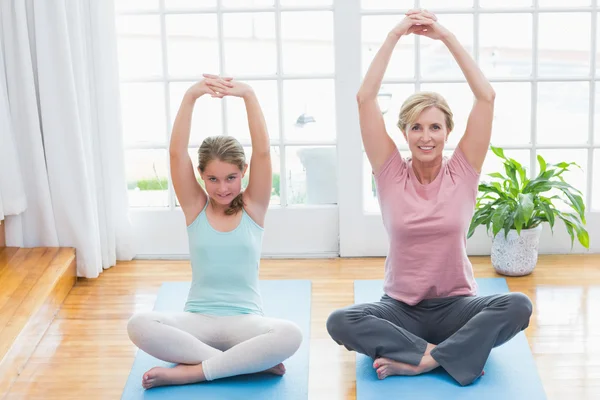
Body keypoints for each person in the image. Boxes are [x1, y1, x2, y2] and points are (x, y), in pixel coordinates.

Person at [326, 10, 532, 386]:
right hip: (400, 309)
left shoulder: (463, 171)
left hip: (458, 306)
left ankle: (422, 359)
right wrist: (394, 35)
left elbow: (486, 96)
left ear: (448, 131)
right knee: (341, 321)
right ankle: (452, 353)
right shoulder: (390, 174)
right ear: (403, 132)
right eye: (416, 127)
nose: (426, 136)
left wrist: (446, 37)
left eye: (435, 127)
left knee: (518, 306)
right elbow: (364, 98)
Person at [127, 74, 302, 389]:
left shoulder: (253, 207)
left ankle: (192, 371)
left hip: (246, 322)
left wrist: (248, 95)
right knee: (138, 324)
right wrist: (191, 96)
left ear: (243, 172)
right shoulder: (196, 208)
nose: (223, 188)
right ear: (201, 176)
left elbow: (262, 152)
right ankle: (244, 364)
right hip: (198, 321)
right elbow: (176, 154)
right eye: (213, 179)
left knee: (291, 334)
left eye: (231, 177)